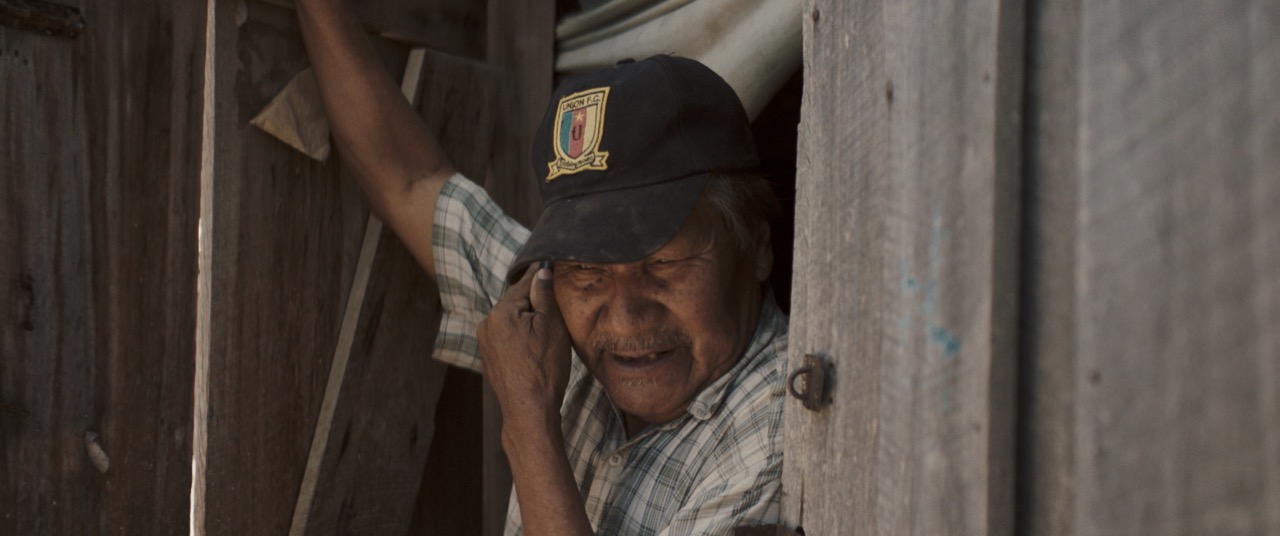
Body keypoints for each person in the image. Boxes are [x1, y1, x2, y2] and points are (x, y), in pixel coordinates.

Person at [297, 1, 787, 534]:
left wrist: (530, 431)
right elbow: (408, 180)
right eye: (587, 268)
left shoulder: (775, 433)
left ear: (757, 244)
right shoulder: (556, 318)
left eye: (664, 263)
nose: (624, 319)